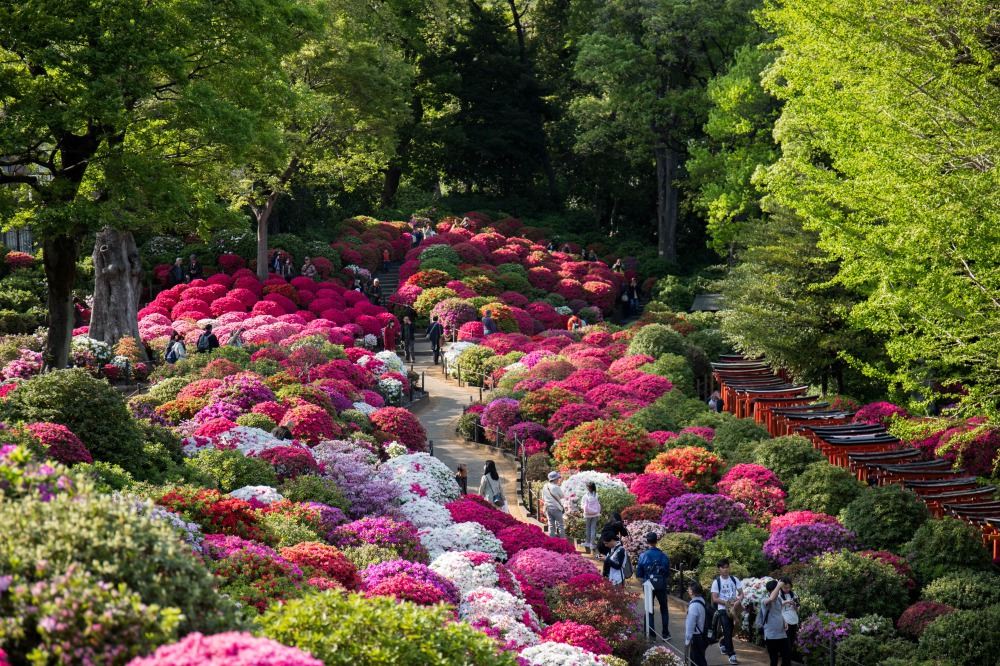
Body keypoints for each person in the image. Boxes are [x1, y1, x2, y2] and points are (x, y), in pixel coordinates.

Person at [637, 532, 672, 641]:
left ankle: (651, 635)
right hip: (661, 585)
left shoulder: (643, 556)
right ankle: (665, 634)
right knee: (664, 609)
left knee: (649, 609)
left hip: (648, 585)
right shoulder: (663, 556)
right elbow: (667, 572)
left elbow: (639, 573)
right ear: (657, 541)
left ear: (647, 541)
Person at [711, 558, 744, 665]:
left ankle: (723, 642)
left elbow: (741, 594)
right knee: (728, 629)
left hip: (734, 609)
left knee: (734, 629)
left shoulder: (734, 579)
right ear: (719, 569)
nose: (725, 569)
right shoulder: (716, 582)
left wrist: (738, 601)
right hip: (723, 609)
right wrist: (727, 603)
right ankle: (732, 654)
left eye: (726, 567)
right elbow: (715, 598)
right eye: (723, 568)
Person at [761, 579, 792, 666]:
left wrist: (784, 622)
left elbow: (779, 613)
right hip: (771, 635)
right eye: (775, 590)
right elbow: (771, 599)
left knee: (787, 658)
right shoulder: (764, 600)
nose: (777, 592)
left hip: (782, 634)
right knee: (774, 660)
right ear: (769, 591)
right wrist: (778, 585)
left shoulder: (778, 599)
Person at [686, 581, 709, 666]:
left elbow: (690, 624)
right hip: (703, 634)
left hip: (696, 636)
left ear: (691, 591)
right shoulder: (702, 601)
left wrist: (687, 640)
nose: (688, 590)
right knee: (699, 658)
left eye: (689, 589)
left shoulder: (693, 606)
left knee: (697, 661)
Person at [778, 577, 800, 658]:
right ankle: (786, 660)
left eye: (789, 587)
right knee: (786, 644)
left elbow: (797, 609)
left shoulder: (794, 594)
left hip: (793, 620)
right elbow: (776, 606)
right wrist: (786, 602)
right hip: (783, 621)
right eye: (785, 587)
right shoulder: (778, 594)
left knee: (790, 642)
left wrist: (794, 604)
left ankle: (786, 659)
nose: (787, 589)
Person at [542, 471, 566, 538]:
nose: (558, 480)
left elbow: (543, 497)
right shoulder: (556, 487)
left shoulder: (545, 486)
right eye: (557, 478)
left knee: (551, 524)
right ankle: (562, 540)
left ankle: (552, 539)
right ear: (554, 479)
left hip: (548, 507)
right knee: (560, 525)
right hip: (556, 508)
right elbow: (562, 496)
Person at [581, 482, 601, 549]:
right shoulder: (596, 495)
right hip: (595, 514)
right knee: (593, 529)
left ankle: (588, 542)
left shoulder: (585, 496)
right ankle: (592, 544)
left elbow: (582, 506)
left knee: (588, 528)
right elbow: (598, 504)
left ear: (588, 488)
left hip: (587, 514)